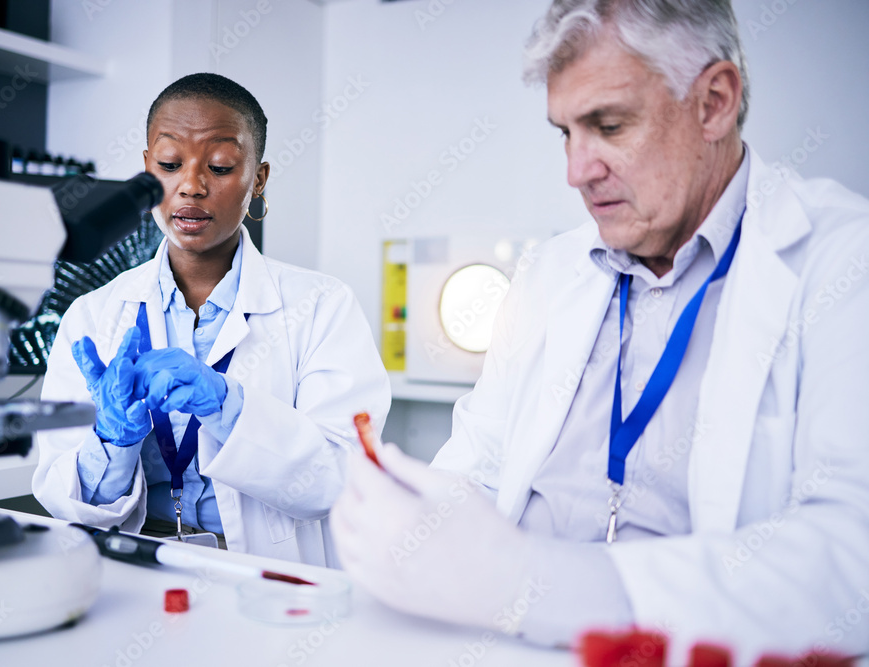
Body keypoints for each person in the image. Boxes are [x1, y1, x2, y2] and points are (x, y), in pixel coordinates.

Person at [330, 0, 869, 662]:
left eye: (608, 126)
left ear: (715, 102)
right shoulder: (549, 272)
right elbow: (479, 462)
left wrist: (535, 582)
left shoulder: (842, 262)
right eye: (564, 132)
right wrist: (407, 519)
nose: (576, 171)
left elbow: (853, 551)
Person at [34, 73, 389, 567]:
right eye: (169, 164)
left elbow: (340, 481)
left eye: (220, 166)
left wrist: (230, 407)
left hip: (267, 577)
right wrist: (111, 442)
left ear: (258, 179)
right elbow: (64, 499)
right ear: (145, 171)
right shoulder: (93, 316)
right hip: (137, 566)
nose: (191, 185)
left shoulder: (323, 306)